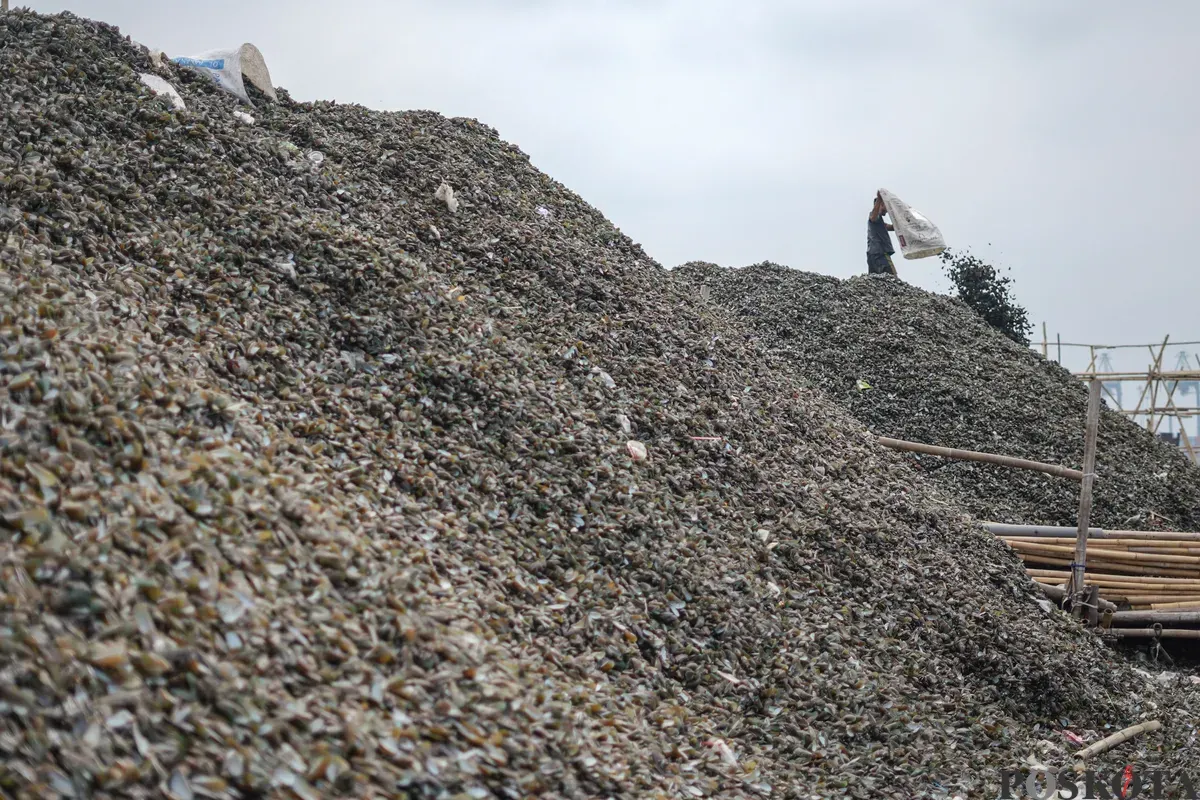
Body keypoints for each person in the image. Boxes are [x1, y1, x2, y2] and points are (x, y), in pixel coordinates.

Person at [866, 193, 898, 276]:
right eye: (885, 208)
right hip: (880, 253)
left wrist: (902, 224)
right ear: (882, 204)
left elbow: (890, 227)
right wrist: (880, 199)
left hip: (872, 255)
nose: (886, 211)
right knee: (892, 279)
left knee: (875, 280)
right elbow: (873, 216)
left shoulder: (879, 222)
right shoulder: (874, 216)